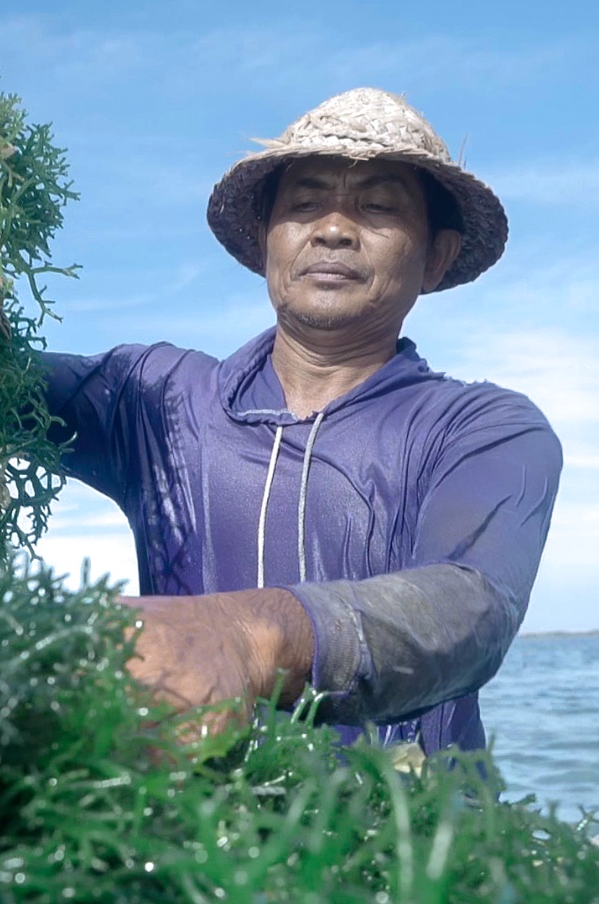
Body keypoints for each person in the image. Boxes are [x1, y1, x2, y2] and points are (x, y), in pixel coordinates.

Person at [43, 88, 562, 756]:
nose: (335, 228)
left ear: (436, 255)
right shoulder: (156, 398)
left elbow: (472, 605)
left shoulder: (481, 427)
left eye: (378, 207)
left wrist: (248, 634)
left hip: (411, 840)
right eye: (305, 203)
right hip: (199, 829)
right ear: (267, 240)